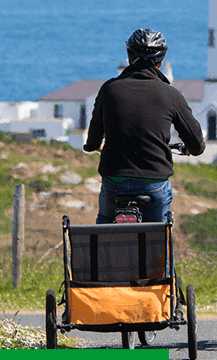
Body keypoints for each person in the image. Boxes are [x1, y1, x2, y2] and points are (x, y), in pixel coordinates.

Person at [84, 28, 205, 223]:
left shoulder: (109, 89)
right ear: (160, 62)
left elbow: (92, 141)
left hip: (114, 182)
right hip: (154, 185)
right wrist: (190, 149)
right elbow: (197, 144)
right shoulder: (170, 94)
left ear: (130, 57)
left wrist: (95, 146)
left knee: (104, 232)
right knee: (159, 238)